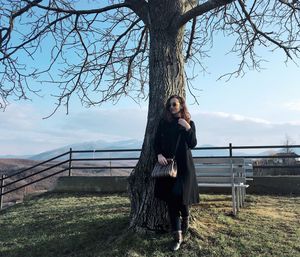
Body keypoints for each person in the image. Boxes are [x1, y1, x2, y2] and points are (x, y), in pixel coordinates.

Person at [153, 95, 200, 251]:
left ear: (181, 106)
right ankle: (177, 237)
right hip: (168, 167)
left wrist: (187, 128)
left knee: (182, 197)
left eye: (175, 104)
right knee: (172, 200)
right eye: (169, 105)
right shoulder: (164, 123)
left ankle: (186, 217)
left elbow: (193, 144)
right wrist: (159, 154)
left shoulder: (189, 123)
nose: (172, 107)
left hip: (184, 167)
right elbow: (156, 142)